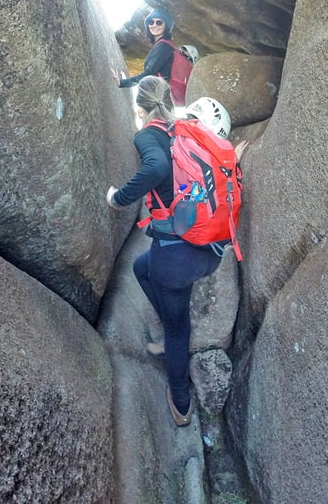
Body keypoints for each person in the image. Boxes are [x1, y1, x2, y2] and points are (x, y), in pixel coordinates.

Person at [105, 75, 222, 427]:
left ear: (140, 108)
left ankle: (182, 404)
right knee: (142, 268)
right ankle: (171, 321)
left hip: (177, 256)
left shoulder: (148, 135)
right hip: (211, 249)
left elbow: (155, 167)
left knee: (176, 327)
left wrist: (118, 198)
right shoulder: (187, 129)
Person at [112, 8, 177, 88]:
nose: (154, 25)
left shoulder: (163, 46)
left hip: (162, 95)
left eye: (159, 23)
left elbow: (149, 73)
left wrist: (123, 83)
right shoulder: (164, 45)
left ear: (166, 26)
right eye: (151, 22)